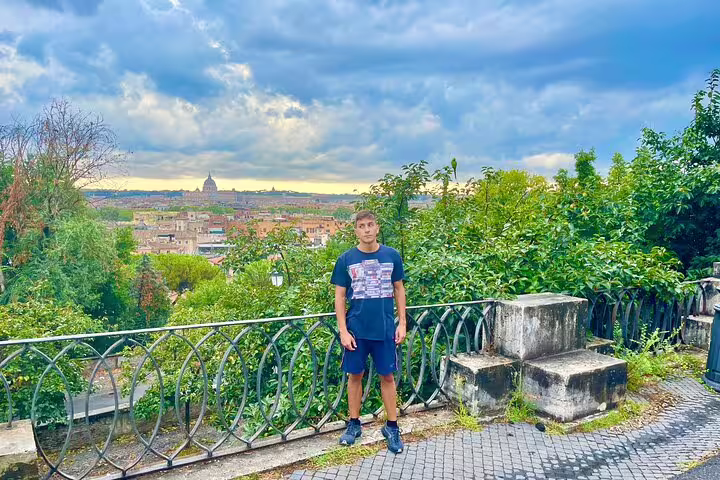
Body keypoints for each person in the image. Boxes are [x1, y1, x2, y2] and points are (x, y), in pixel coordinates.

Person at [330, 210, 407, 454]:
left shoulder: (392, 255)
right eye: (361, 226)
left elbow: (399, 289)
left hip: (385, 329)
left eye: (370, 225)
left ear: (377, 227)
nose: (366, 229)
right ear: (356, 231)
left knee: (387, 377)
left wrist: (402, 322)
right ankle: (354, 425)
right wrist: (343, 330)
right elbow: (340, 296)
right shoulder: (346, 259)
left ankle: (392, 427)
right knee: (355, 376)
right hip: (356, 330)